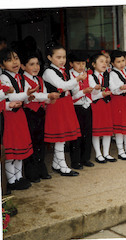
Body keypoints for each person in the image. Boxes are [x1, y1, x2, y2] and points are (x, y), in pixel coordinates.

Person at [42, 41, 85, 176]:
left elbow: (70, 87)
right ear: (49, 58)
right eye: (58, 57)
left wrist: (76, 82)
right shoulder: (49, 72)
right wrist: (77, 79)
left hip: (65, 104)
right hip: (57, 106)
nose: (62, 60)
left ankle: (56, 163)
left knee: (64, 137)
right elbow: (62, 86)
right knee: (60, 138)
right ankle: (63, 167)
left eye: (64, 57)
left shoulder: (63, 71)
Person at [0, 47, 38, 190]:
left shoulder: (20, 77)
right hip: (9, 117)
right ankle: (11, 180)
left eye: (16, 58)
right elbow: (11, 96)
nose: (14, 62)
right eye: (9, 60)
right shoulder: (4, 78)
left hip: (19, 116)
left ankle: (19, 177)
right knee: (11, 149)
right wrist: (26, 95)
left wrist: (29, 95)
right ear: (2, 65)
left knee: (20, 148)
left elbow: (24, 96)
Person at [21, 51, 59, 182]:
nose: (36, 67)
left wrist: (49, 100)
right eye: (31, 64)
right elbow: (32, 97)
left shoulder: (39, 79)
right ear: (23, 66)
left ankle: (41, 168)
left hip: (40, 113)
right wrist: (48, 96)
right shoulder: (22, 80)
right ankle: (31, 172)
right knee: (31, 142)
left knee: (40, 142)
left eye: (37, 64)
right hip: (29, 114)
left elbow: (43, 95)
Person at [68, 51, 95, 169]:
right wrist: (83, 92)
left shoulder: (88, 74)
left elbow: (94, 90)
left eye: (83, 63)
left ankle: (85, 158)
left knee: (87, 133)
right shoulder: (69, 76)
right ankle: (75, 161)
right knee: (76, 135)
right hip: (76, 107)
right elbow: (72, 96)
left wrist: (96, 89)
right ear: (71, 64)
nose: (81, 66)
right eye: (78, 63)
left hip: (87, 106)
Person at [88, 53, 115, 163]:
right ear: (94, 64)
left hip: (107, 105)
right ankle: (98, 154)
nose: (104, 64)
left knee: (107, 130)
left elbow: (113, 88)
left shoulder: (108, 75)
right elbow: (92, 94)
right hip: (96, 105)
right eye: (101, 61)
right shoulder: (90, 77)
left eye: (105, 61)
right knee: (97, 130)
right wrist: (100, 93)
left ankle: (106, 153)